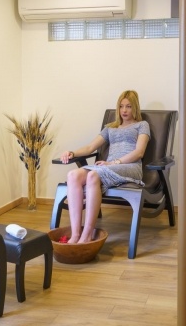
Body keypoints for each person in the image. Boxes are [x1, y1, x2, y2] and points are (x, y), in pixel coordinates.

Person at [59, 90, 150, 244]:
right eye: (121, 106)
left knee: (93, 175)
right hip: (109, 167)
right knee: (73, 175)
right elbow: (90, 147)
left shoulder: (142, 125)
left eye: (128, 106)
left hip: (130, 166)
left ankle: (87, 235)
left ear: (135, 107)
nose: (124, 110)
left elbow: (139, 152)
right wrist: (72, 152)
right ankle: (75, 234)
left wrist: (114, 162)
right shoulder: (110, 127)